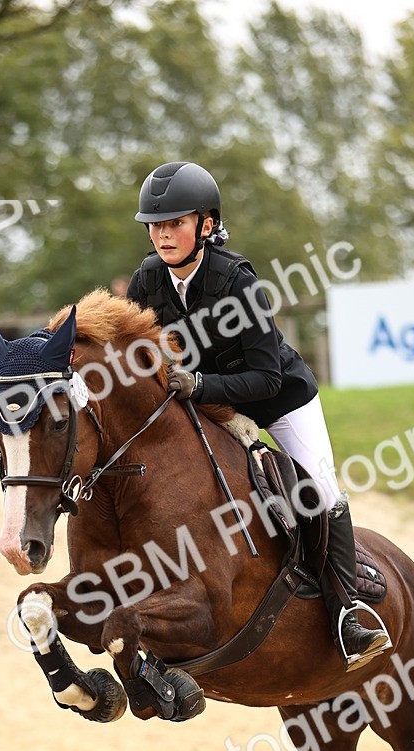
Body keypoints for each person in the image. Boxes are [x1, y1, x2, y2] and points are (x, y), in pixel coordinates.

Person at [126, 161, 388, 671]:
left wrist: (199, 385)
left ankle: (347, 616)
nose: (162, 234)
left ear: (206, 224)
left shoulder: (236, 281)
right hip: (207, 404)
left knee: (319, 489)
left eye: (175, 222)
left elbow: (266, 378)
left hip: (278, 400)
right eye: (155, 225)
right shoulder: (147, 280)